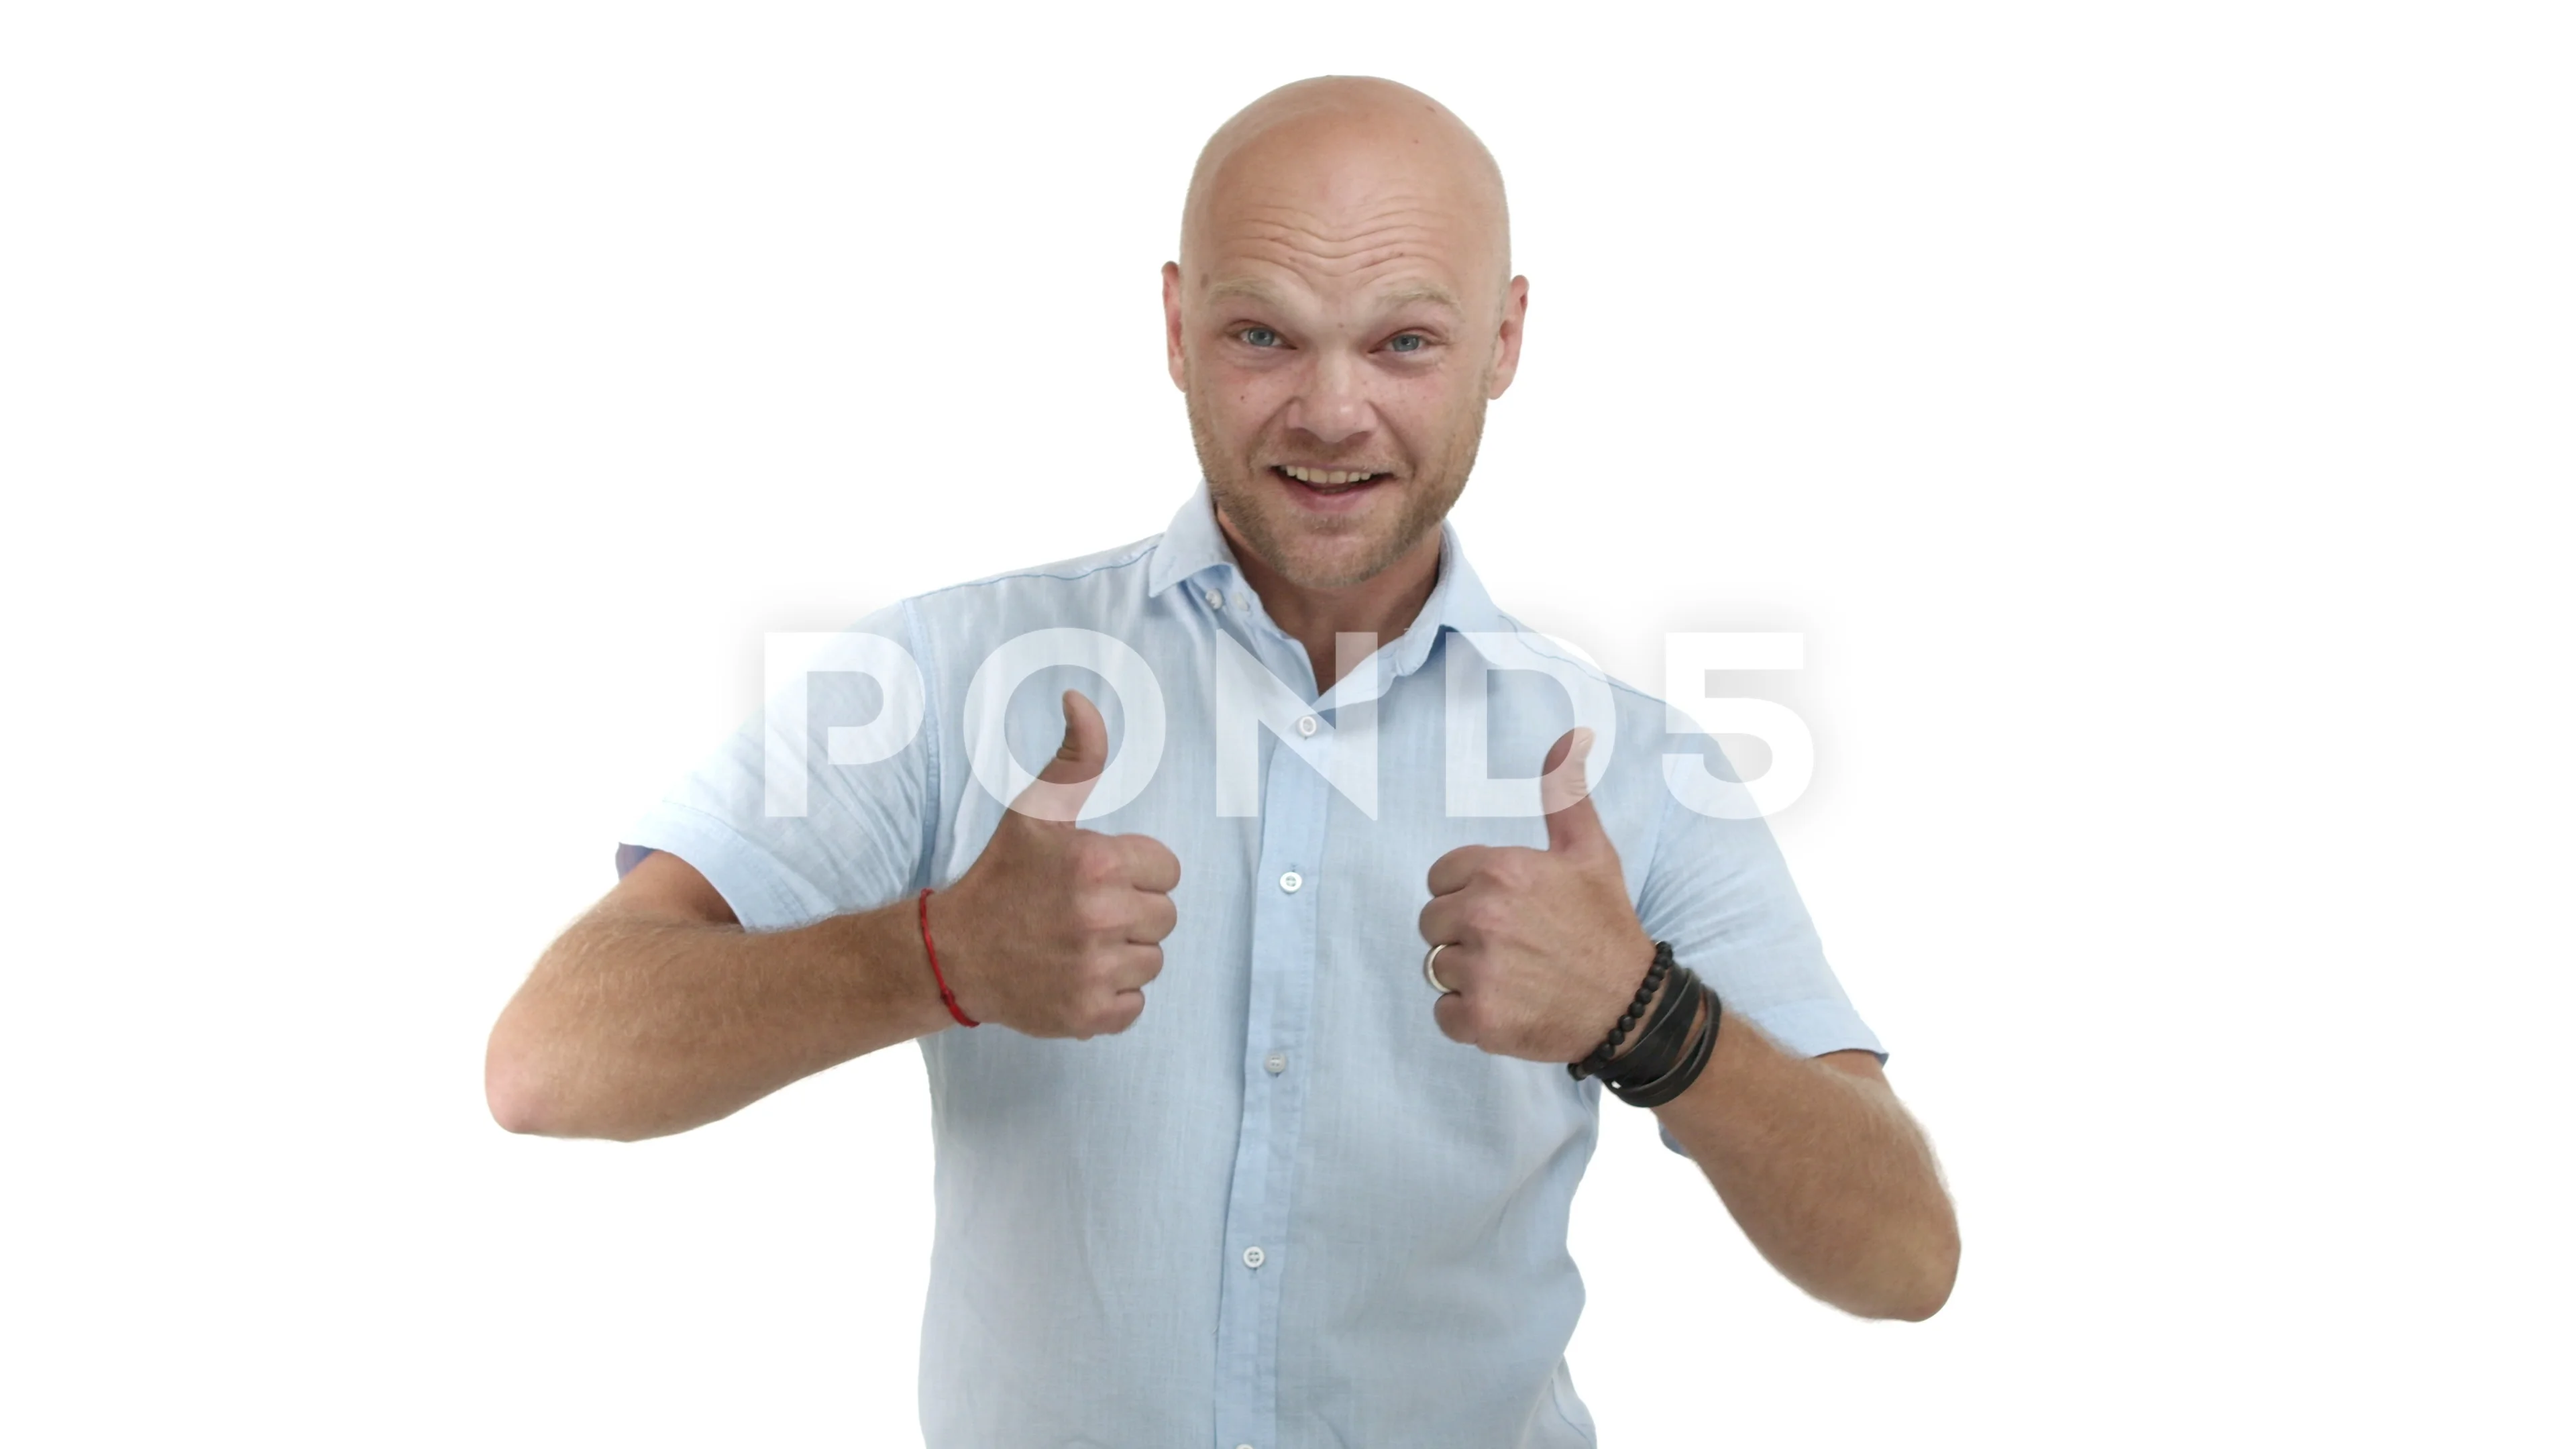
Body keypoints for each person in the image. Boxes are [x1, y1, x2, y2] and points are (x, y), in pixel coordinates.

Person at [487, 74, 1958, 1448]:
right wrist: (935, 958)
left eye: (1404, 340)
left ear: (1505, 341)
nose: (1330, 411)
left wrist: (1648, 1019)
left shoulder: (1634, 768)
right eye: (1265, 334)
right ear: (1178, 325)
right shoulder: (942, 679)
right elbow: (548, 1061)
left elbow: (1904, 1258)